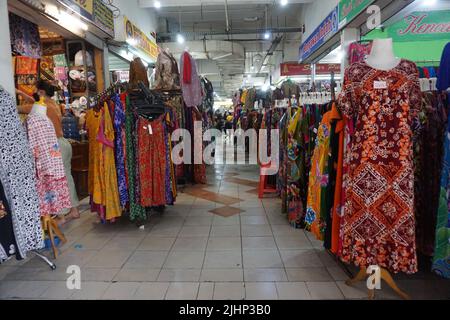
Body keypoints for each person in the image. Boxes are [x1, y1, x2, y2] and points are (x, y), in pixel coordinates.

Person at [16, 80, 81, 224]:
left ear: (41, 92)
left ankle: (62, 214)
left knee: (55, 180)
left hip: (54, 146)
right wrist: (21, 93)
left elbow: (21, 108)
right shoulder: (53, 104)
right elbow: (33, 102)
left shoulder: (41, 106)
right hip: (64, 143)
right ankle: (74, 210)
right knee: (66, 178)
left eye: (36, 90)